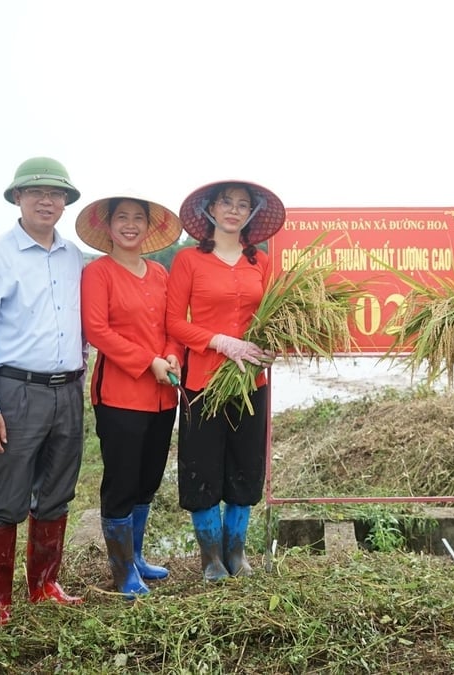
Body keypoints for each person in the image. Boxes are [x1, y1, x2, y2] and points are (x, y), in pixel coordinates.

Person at [0, 157, 86, 624]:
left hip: (67, 391)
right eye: (36, 193)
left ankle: (45, 585)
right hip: (15, 391)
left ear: (66, 202)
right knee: (7, 497)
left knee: (57, 491)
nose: (47, 201)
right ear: (17, 198)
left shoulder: (73, 256)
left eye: (56, 194)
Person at [166, 180, 284, 581]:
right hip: (204, 380)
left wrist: (271, 347)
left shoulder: (261, 263)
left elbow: (273, 319)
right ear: (210, 210)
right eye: (226, 203)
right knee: (202, 466)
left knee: (245, 466)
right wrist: (219, 341)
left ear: (250, 213)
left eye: (242, 204)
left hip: (251, 384)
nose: (233, 210)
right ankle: (211, 558)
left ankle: (237, 554)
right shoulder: (187, 261)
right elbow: (173, 322)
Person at [76, 194, 184, 598]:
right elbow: (97, 331)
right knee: (121, 481)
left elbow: (174, 324)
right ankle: (122, 571)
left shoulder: (159, 272)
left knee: (148, 479)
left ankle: (136, 556)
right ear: (108, 226)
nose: (130, 225)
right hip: (121, 394)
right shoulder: (98, 273)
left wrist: (172, 352)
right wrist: (148, 361)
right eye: (122, 217)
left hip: (162, 397)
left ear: (149, 227)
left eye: (138, 218)